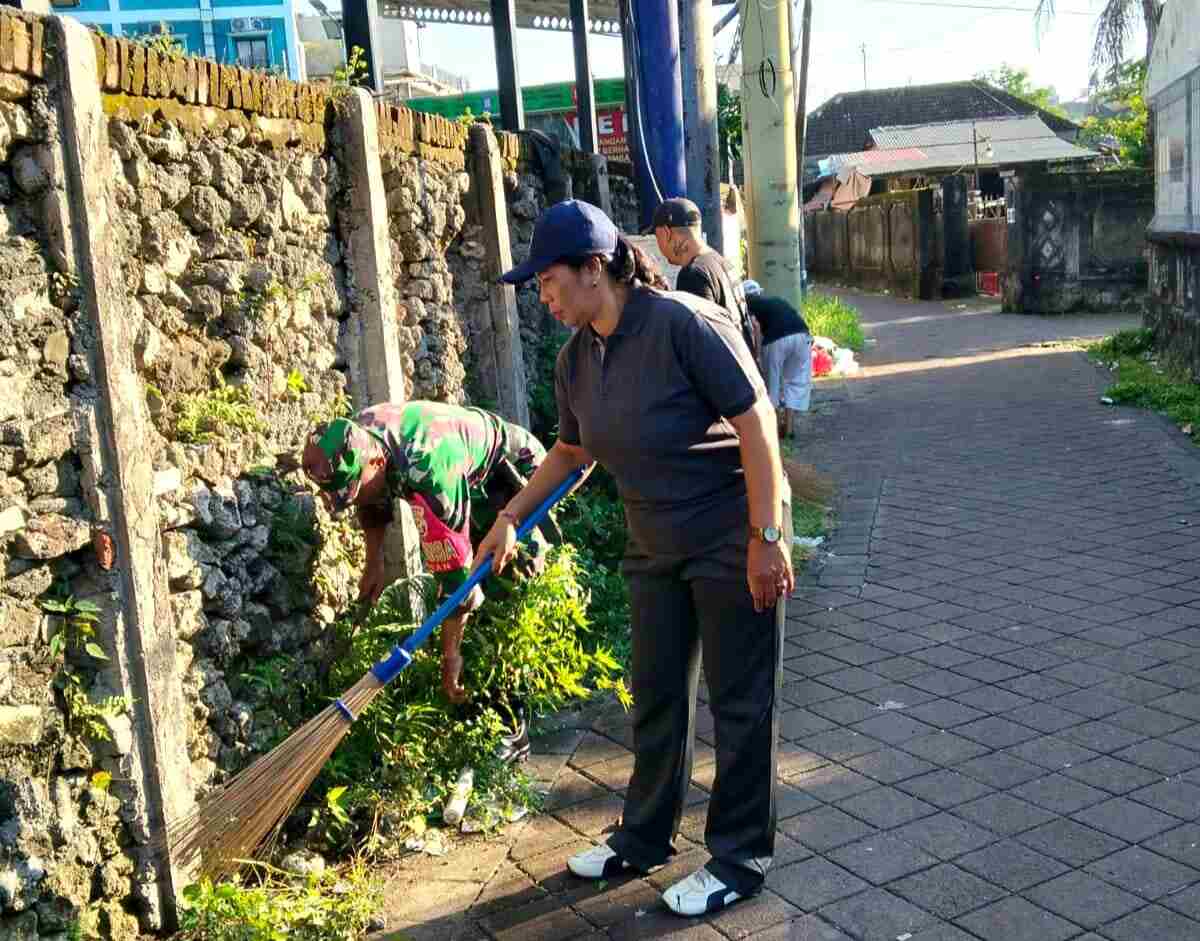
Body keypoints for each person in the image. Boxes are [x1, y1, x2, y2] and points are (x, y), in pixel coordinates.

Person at [482, 199, 794, 917]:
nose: (545, 296)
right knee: (655, 696)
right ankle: (645, 836)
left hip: (728, 538)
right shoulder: (576, 358)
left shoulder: (682, 323)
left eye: (551, 281)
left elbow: (755, 419)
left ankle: (739, 858)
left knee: (742, 704)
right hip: (652, 547)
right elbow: (571, 451)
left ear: (595, 269)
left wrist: (765, 538)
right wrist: (508, 518)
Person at [299, 400, 548, 761]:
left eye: (354, 489)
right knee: (471, 577)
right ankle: (478, 714)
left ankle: (512, 728)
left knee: (504, 578)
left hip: (513, 471)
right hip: (463, 475)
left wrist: (450, 658)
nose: (353, 498)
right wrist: (374, 563)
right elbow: (371, 498)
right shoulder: (351, 440)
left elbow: (457, 586)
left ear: (378, 463)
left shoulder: (427, 470)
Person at [652, 197, 758, 361]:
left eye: (656, 236)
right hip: (744, 367)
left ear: (666, 233)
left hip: (722, 377)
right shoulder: (722, 263)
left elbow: (698, 344)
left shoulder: (693, 275)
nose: (658, 244)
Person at [742, 280, 813, 438]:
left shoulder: (748, 303)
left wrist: (758, 355)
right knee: (794, 381)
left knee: (772, 384)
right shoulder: (775, 301)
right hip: (802, 334)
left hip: (776, 340)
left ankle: (774, 430)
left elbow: (756, 327)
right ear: (759, 291)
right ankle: (789, 429)